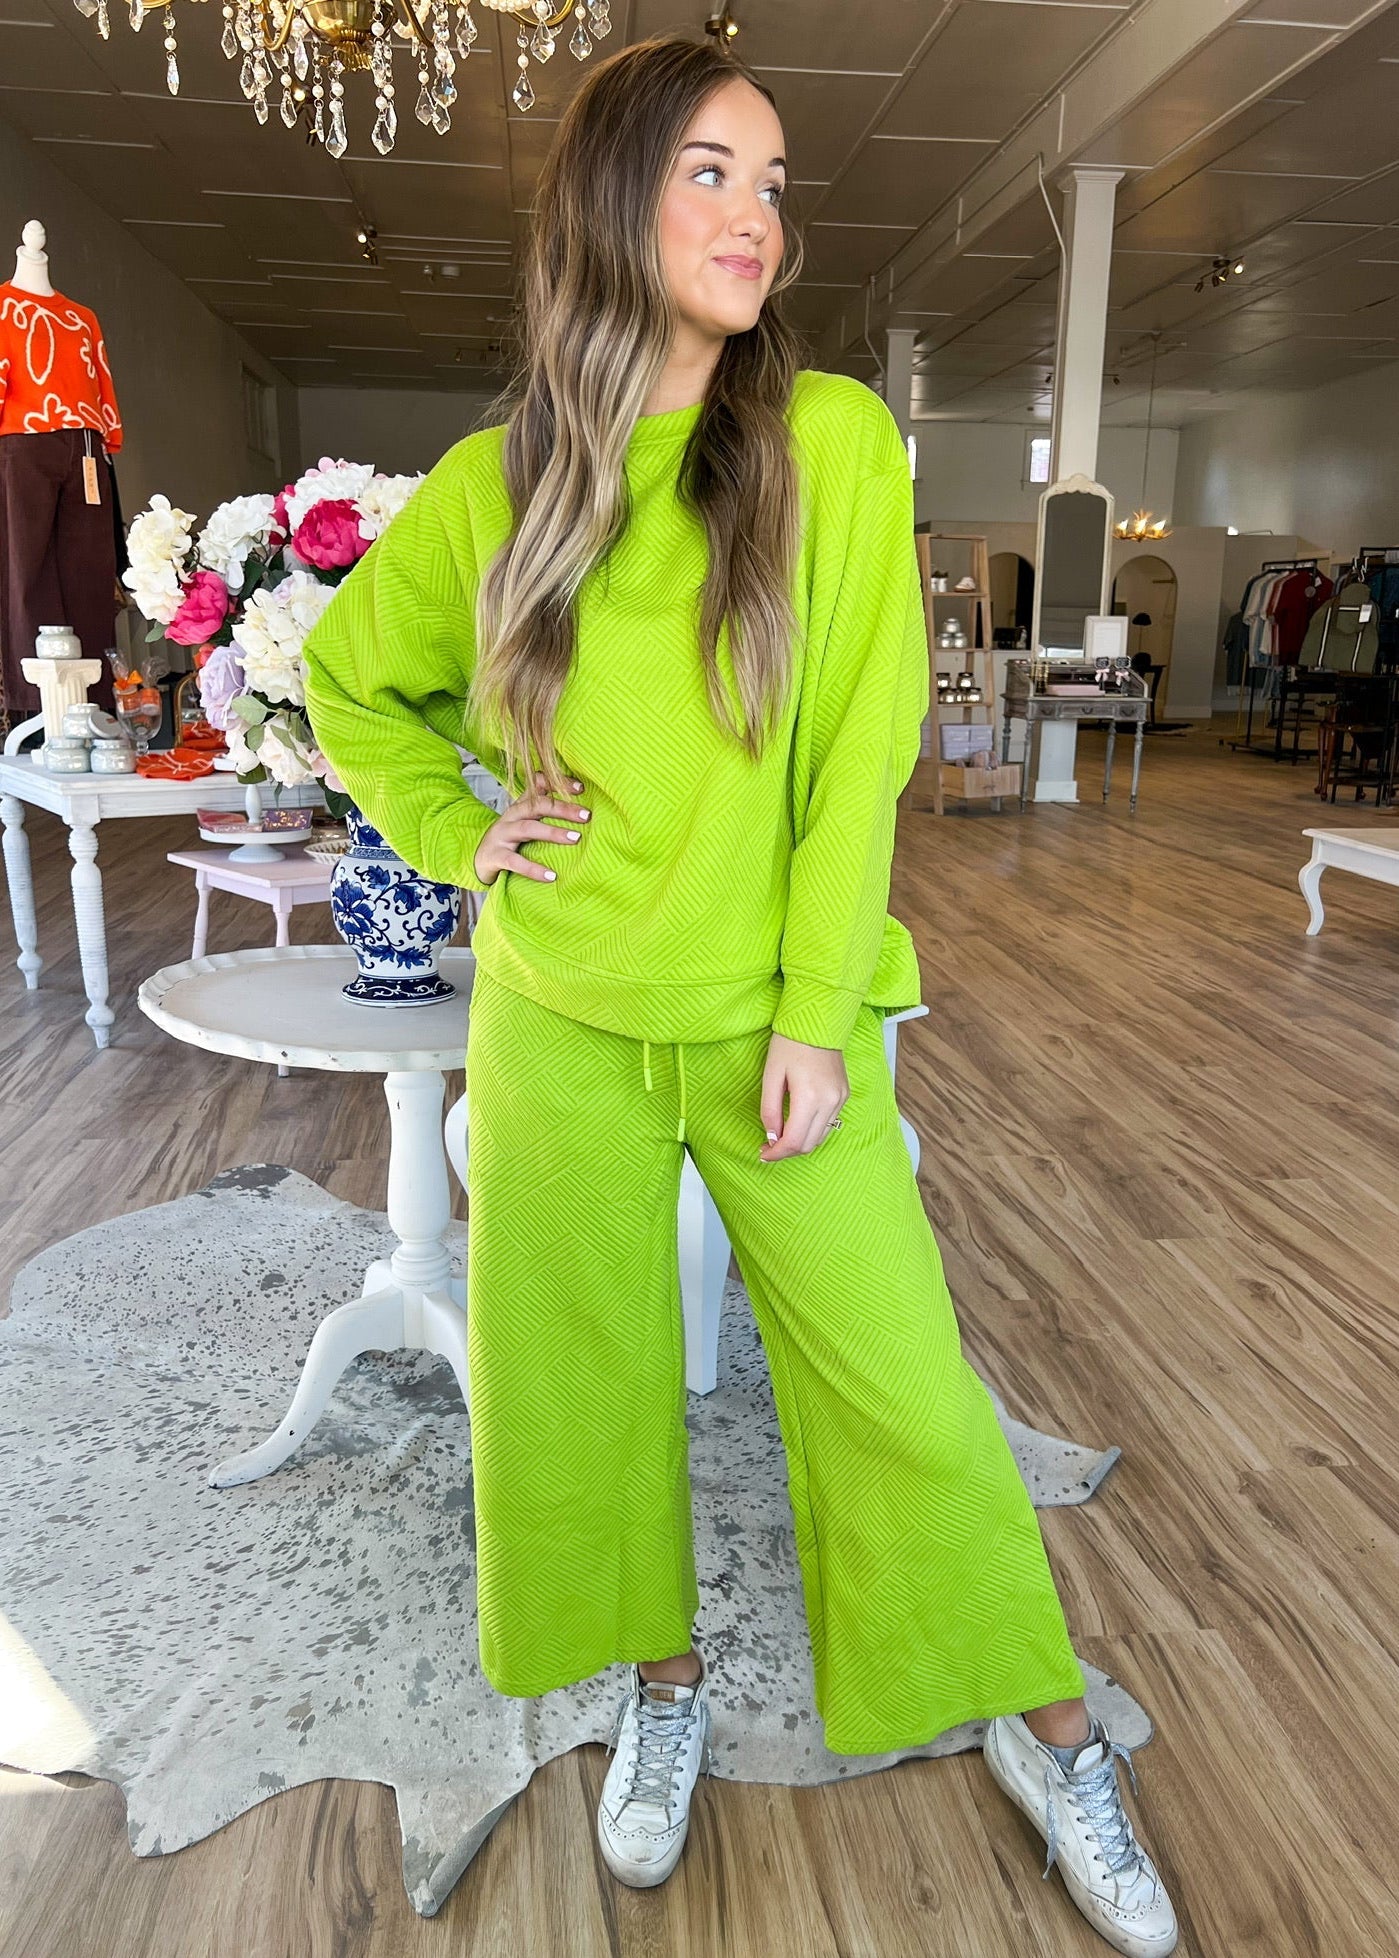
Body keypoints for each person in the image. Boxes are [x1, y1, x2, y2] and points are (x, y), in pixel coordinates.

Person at [302, 34, 1177, 1956]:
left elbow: (859, 760)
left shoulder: (830, 445)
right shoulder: (497, 486)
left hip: (779, 1018)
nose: (758, 216)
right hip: (558, 1016)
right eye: (712, 171)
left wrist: (810, 1010)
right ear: (616, 199)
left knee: (903, 1387)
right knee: (584, 1391)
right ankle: (666, 1687)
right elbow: (352, 681)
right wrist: (460, 830)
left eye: (775, 183)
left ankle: (1046, 1723)